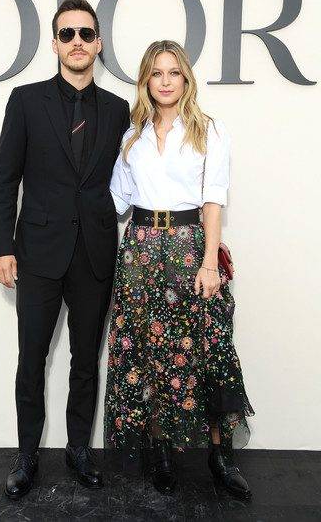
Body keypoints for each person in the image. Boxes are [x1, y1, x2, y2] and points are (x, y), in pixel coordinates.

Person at [0, 0, 130, 499]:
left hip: (95, 253)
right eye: (67, 33)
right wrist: (1, 247)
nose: (77, 42)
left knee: (85, 360)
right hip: (37, 252)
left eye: (85, 34)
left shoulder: (118, 110)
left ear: (98, 44)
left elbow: (132, 177)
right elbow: (5, 180)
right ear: (54, 43)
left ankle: (78, 450)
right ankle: (27, 455)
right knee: (31, 359)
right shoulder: (25, 101)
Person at [104, 39, 255, 499]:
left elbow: (213, 201)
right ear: (146, 81)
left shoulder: (208, 130)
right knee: (148, 353)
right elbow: (115, 201)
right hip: (140, 252)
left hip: (191, 249)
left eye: (173, 72)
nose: (165, 81)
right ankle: (161, 452)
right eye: (156, 73)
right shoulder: (132, 136)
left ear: (186, 78)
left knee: (208, 350)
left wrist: (210, 262)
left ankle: (220, 455)